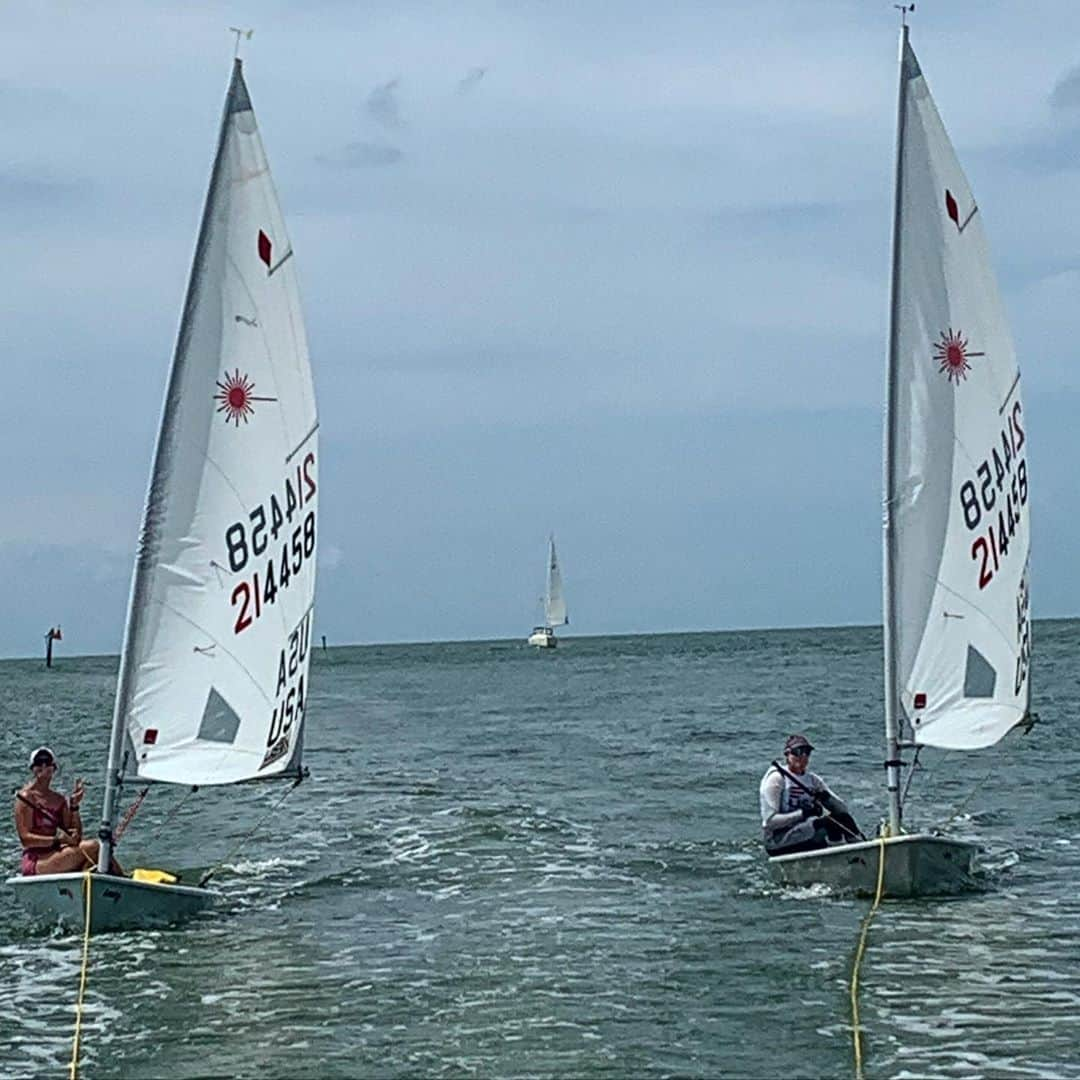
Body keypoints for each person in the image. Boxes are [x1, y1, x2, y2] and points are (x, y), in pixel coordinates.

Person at [14, 746, 123, 876]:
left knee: (101, 849)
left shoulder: (58, 800)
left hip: (56, 853)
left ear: (54, 768)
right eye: (38, 762)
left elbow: (75, 835)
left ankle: (119, 881)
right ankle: (118, 880)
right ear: (32, 768)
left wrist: (74, 806)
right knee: (95, 848)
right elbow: (26, 839)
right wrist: (57, 840)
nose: (43, 766)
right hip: (37, 860)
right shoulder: (26, 798)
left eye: (47, 762)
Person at [759, 734, 862, 856]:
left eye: (807, 752)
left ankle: (860, 852)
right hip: (779, 840)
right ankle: (839, 856)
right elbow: (769, 822)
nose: (803, 756)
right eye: (798, 752)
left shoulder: (813, 780)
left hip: (804, 831)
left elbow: (843, 809)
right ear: (787, 754)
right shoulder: (776, 779)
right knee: (825, 825)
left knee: (843, 819)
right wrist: (803, 813)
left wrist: (826, 798)